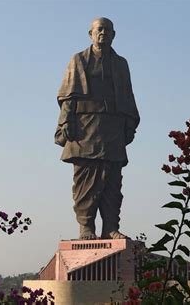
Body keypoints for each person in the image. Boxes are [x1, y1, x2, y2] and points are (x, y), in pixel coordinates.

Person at [55, 17, 140, 240]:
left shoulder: (121, 63)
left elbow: (128, 95)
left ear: (114, 35)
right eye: (99, 29)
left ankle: (110, 227)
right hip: (85, 129)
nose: (103, 33)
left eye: (107, 30)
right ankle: (86, 226)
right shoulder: (79, 60)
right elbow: (67, 96)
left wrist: (129, 122)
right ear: (90, 34)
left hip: (112, 128)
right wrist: (65, 122)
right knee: (86, 181)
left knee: (112, 181)